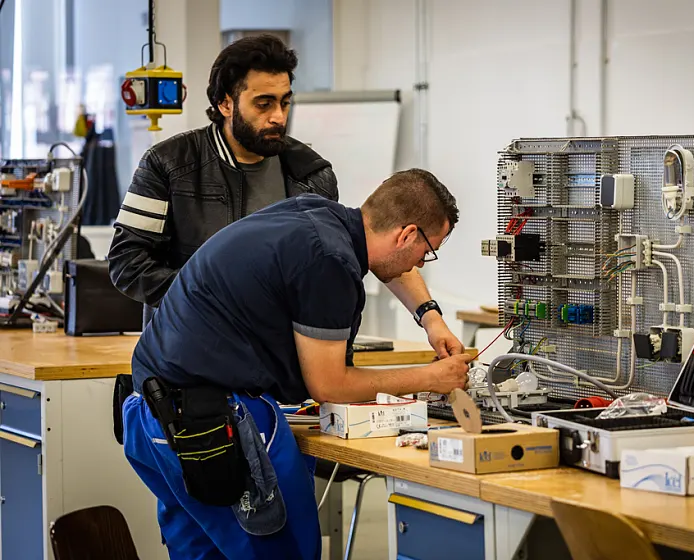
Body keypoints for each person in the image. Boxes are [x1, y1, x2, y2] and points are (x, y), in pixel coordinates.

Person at [120, 169, 471, 559]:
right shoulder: (331, 262)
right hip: (212, 425)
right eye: (426, 251)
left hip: (152, 413)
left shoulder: (319, 217)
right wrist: (430, 377)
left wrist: (431, 318)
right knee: (286, 551)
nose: (419, 263)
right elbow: (329, 385)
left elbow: (386, 261)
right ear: (405, 235)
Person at [108, 35, 338, 324]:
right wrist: (215, 297)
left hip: (280, 359)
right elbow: (127, 263)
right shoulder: (167, 163)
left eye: (284, 102)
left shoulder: (313, 175)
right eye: (263, 104)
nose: (278, 117)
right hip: (189, 353)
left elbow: (327, 271)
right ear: (224, 104)